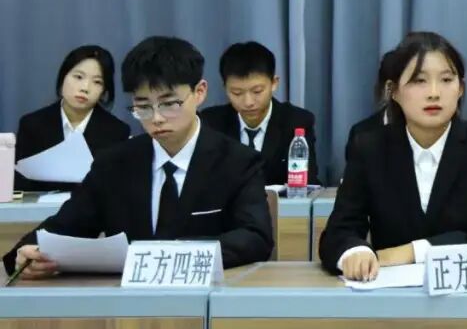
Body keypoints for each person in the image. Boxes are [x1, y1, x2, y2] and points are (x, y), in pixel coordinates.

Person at [3, 36, 274, 278]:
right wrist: (27, 252)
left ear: (199, 92)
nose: (156, 118)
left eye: (169, 104)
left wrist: (171, 258)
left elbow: (255, 237)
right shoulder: (114, 164)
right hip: (127, 306)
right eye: (143, 106)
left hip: (205, 297)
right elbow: (65, 227)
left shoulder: (237, 162)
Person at [319, 31, 467, 281]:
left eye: (446, 80)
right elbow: (338, 233)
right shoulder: (369, 148)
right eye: (419, 81)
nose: (434, 93)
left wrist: (414, 251)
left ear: (460, 89)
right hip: (391, 294)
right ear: (393, 91)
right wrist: (355, 252)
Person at [14, 45, 131, 192]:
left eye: (97, 82)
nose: (85, 88)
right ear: (63, 77)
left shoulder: (117, 131)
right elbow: (19, 185)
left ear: (104, 91)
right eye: (78, 77)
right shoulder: (32, 125)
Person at [201, 41, 320, 185]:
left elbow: (308, 183)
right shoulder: (211, 123)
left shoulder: (296, 121)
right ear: (225, 88)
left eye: (257, 91)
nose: (248, 102)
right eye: (237, 93)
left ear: (274, 83)